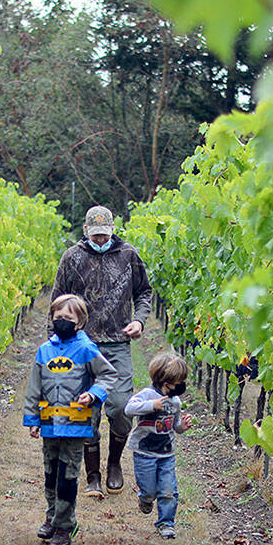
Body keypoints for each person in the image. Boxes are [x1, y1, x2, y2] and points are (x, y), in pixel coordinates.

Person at [53, 205, 153, 498]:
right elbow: (58, 300)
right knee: (86, 411)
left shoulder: (128, 256)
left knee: (122, 407)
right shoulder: (72, 258)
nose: (99, 240)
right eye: (95, 235)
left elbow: (144, 293)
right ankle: (93, 475)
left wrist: (139, 320)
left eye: (104, 235)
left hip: (117, 344)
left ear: (112, 231)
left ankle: (114, 463)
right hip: (81, 346)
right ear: (85, 231)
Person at [23, 294, 119, 545]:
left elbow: (109, 374)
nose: (62, 321)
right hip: (49, 425)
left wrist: (93, 394)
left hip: (76, 425)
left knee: (67, 475)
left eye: (68, 318)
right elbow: (34, 388)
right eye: (58, 318)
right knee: (50, 473)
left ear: (80, 322)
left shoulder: (86, 349)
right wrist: (33, 419)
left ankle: (65, 525)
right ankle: (52, 516)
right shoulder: (44, 351)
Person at [124, 352, 193, 539]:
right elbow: (129, 409)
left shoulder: (176, 401)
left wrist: (182, 427)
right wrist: (151, 405)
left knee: (169, 490)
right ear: (166, 380)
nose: (181, 386)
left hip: (166, 453)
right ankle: (145, 498)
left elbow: (175, 426)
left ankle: (166, 523)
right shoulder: (147, 395)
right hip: (144, 451)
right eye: (179, 381)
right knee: (149, 490)